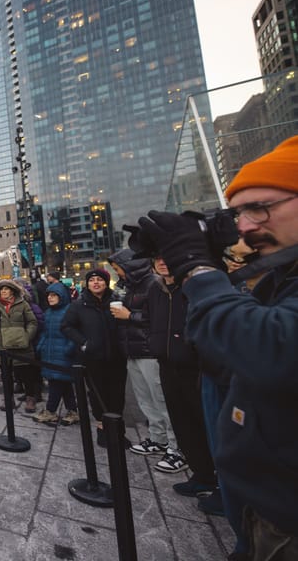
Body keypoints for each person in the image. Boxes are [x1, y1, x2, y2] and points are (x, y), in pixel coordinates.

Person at [136, 135, 298, 560]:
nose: (245, 225)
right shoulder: (278, 279)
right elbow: (222, 344)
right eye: (239, 213)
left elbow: (269, 350)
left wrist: (198, 267)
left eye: (261, 207)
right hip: (263, 506)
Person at [145, 256, 219, 512]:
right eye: (157, 259)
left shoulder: (190, 287)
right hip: (167, 364)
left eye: (168, 257)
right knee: (183, 423)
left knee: (208, 424)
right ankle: (202, 475)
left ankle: (222, 486)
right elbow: (149, 320)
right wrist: (153, 342)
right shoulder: (155, 290)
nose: (164, 262)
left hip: (196, 367)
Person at [108, 249, 181, 471]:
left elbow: (159, 319)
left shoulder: (153, 284)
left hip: (150, 351)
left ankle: (177, 447)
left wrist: (129, 316)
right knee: (145, 399)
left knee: (162, 399)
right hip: (133, 349)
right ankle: (157, 438)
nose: (117, 272)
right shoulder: (129, 286)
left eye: (118, 268)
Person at [61, 268, 127, 447]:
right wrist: (83, 343)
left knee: (118, 394)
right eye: (92, 280)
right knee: (98, 394)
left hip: (116, 356)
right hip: (92, 357)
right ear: (87, 284)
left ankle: (118, 431)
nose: (96, 283)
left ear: (106, 282)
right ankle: (102, 429)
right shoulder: (79, 304)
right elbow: (67, 326)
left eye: (99, 279)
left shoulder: (117, 301)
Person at [0, 280, 39, 412]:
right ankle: (8, 398)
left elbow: (32, 322)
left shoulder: (22, 304)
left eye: (6, 289)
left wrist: (27, 336)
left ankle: (30, 398)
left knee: (25, 374)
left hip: (21, 345)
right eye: (1, 289)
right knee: (6, 375)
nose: (3, 291)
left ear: (12, 290)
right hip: (2, 345)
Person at [34, 282, 79, 425]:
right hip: (50, 353)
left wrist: (68, 349)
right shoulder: (48, 312)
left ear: (62, 296)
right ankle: (73, 411)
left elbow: (75, 334)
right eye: (49, 295)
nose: (50, 298)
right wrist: (41, 346)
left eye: (54, 295)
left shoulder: (70, 311)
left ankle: (50, 411)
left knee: (56, 383)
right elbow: (45, 333)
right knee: (63, 383)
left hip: (63, 354)